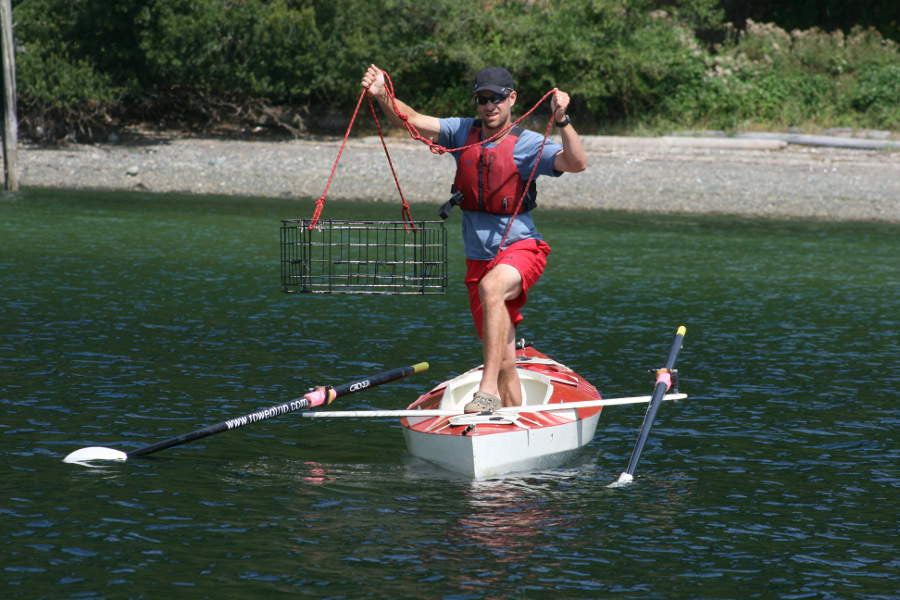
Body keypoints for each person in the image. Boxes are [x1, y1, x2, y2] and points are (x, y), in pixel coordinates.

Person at [361, 64, 587, 412]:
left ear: (511, 99)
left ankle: (486, 391)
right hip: (478, 259)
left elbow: (576, 163)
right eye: (483, 99)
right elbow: (411, 118)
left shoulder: (526, 144)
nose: (489, 105)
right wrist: (381, 94)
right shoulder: (461, 132)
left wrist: (562, 119)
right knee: (506, 357)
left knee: (493, 288)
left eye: (497, 98)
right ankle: (513, 416)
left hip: (522, 249)